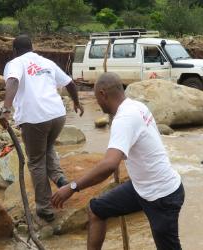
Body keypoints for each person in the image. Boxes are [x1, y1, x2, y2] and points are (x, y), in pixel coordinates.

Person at [52, 72, 184, 250]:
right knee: (96, 210)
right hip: (141, 188)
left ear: (102, 94)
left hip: (162, 195)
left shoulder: (124, 118)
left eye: (96, 98)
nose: (97, 104)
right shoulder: (136, 106)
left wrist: (72, 187)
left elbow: (110, 164)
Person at [2, 35, 84, 222]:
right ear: (32, 47)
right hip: (57, 115)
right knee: (47, 148)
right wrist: (77, 103)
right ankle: (60, 179)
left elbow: (13, 81)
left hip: (35, 118)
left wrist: (6, 109)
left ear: (14, 51)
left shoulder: (15, 63)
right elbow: (70, 83)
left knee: (36, 161)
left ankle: (44, 207)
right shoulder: (46, 62)